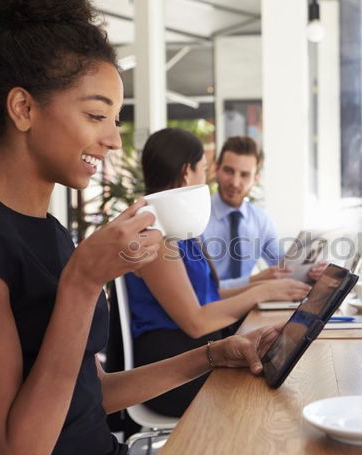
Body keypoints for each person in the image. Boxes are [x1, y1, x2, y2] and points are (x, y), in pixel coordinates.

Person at [0, 0, 279, 455]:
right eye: (96, 116)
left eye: (115, 120)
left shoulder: (47, 233)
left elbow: (93, 396)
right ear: (23, 108)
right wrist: (84, 282)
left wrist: (212, 355)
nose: (113, 140)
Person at [127, 128, 311, 417]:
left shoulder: (174, 225)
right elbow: (196, 322)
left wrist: (268, 287)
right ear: (187, 173)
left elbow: (207, 296)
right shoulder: (155, 233)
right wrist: (261, 291)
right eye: (203, 169)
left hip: (193, 353)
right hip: (169, 369)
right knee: (272, 384)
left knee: (281, 367)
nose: (206, 180)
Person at [202, 136, 327, 288]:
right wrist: (253, 281)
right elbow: (200, 290)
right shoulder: (198, 218)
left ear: (256, 178)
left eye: (244, 175)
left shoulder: (261, 220)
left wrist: (312, 272)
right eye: (229, 171)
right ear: (216, 169)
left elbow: (285, 269)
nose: (235, 182)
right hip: (209, 308)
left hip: (250, 306)